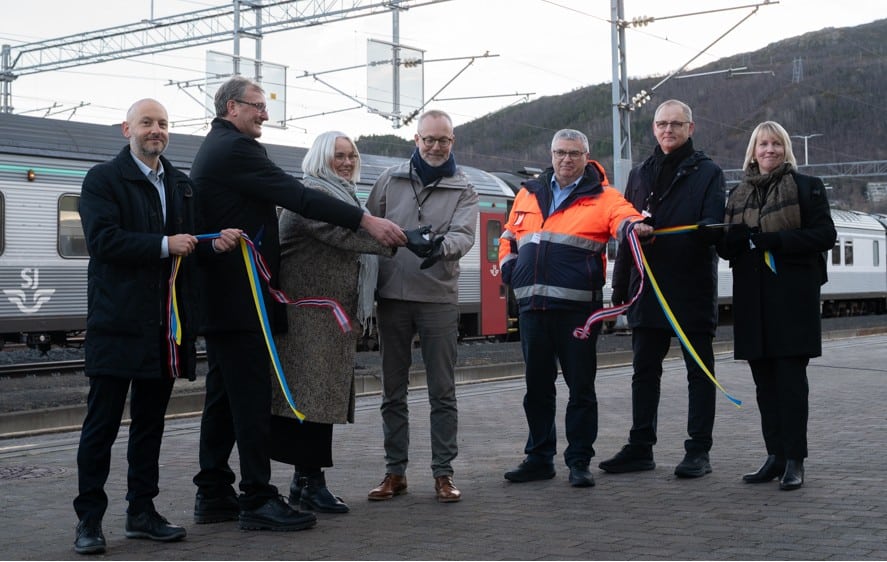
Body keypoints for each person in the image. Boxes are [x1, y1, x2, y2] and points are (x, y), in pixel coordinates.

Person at [190, 76, 406, 531]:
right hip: (242, 296)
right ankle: (256, 498)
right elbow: (300, 197)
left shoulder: (218, 147)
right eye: (257, 106)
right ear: (232, 107)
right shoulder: (236, 149)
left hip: (225, 294)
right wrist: (365, 219)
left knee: (223, 398)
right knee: (249, 400)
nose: (265, 114)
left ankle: (213, 492)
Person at [73, 99, 241, 555]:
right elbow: (103, 241)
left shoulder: (181, 185)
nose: (156, 130)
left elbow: (191, 247)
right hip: (116, 323)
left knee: (150, 426)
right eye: (146, 122)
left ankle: (141, 512)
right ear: (126, 128)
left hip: (164, 329)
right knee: (101, 427)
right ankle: (89, 520)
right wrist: (166, 244)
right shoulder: (102, 180)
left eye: (163, 124)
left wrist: (214, 245)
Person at [500, 129, 653, 488]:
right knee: (537, 388)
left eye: (573, 153)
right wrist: (510, 269)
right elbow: (508, 236)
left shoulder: (603, 196)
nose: (566, 159)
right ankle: (539, 458)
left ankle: (579, 461)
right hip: (532, 308)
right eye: (560, 153)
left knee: (580, 388)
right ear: (551, 155)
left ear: (587, 156)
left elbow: (623, 217)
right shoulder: (528, 193)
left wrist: (636, 227)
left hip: (577, 312)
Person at [268, 131, 395, 514]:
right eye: (338, 155)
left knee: (318, 401)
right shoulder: (312, 195)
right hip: (309, 317)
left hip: (324, 319)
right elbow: (344, 235)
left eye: (351, 155)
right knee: (312, 401)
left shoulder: (343, 196)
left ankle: (306, 482)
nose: (347, 161)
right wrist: (399, 239)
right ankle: (309, 483)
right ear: (320, 157)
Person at [599, 99, 726, 479]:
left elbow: (712, 226)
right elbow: (626, 232)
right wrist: (620, 287)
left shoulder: (709, 173)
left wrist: (692, 233)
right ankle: (640, 447)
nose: (668, 130)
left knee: (698, 373)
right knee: (644, 372)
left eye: (676, 124)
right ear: (653, 129)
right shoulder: (640, 174)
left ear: (690, 128)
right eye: (661, 124)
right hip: (647, 288)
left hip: (691, 289)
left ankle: (698, 450)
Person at [364, 109, 478, 503]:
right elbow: (368, 224)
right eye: (428, 139)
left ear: (452, 142)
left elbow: (464, 236)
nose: (435, 147)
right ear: (416, 140)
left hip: (437, 297)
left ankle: (443, 474)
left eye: (443, 140)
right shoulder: (389, 179)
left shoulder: (464, 188)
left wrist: (438, 248)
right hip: (393, 296)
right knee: (392, 391)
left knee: (442, 391)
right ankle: (394, 472)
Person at [718, 121, 836, 491]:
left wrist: (777, 240)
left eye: (776, 144)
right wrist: (730, 240)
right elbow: (727, 250)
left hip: (792, 300)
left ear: (786, 149)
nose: (769, 150)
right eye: (763, 144)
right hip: (752, 301)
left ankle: (795, 459)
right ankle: (775, 455)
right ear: (753, 152)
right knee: (764, 385)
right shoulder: (738, 194)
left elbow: (825, 235)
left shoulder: (806, 187)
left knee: (790, 383)